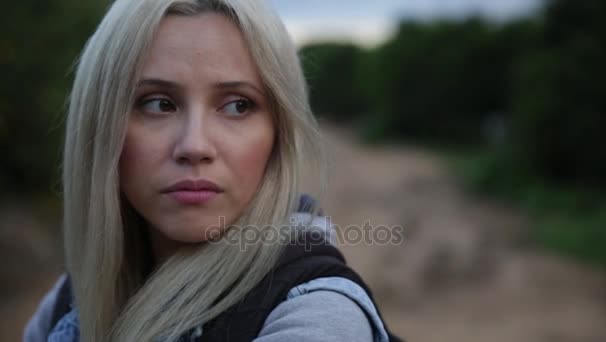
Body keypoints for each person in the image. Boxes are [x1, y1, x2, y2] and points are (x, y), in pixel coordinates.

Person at [23, 0, 402, 341]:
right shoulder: (67, 304)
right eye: (158, 103)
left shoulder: (318, 318)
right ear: (99, 124)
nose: (195, 146)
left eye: (238, 106)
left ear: (278, 133)